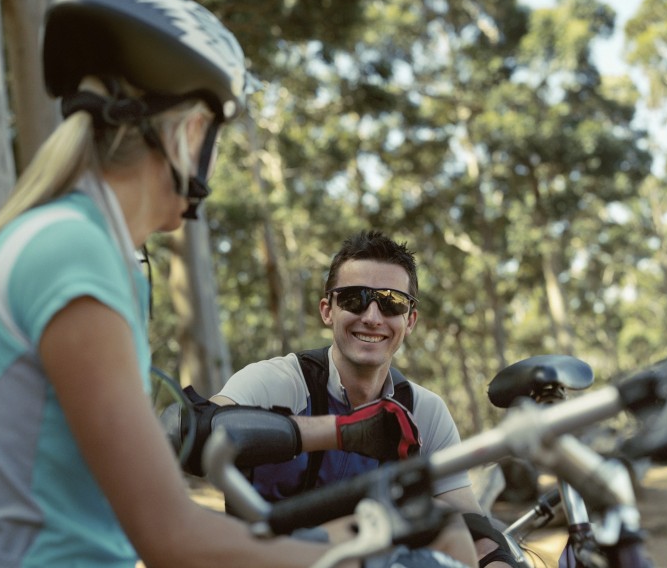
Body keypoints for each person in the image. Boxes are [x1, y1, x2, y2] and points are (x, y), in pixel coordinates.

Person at [0, 0, 391, 568]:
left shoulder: (77, 241)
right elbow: (170, 537)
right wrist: (365, 548)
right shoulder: (73, 250)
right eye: (215, 137)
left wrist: (336, 539)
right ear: (191, 130)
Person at [177, 231, 518, 567]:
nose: (372, 316)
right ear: (328, 310)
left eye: (391, 302)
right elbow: (189, 432)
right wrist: (342, 430)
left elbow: (469, 524)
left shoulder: (424, 410)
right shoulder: (279, 381)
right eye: (354, 299)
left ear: (410, 320)